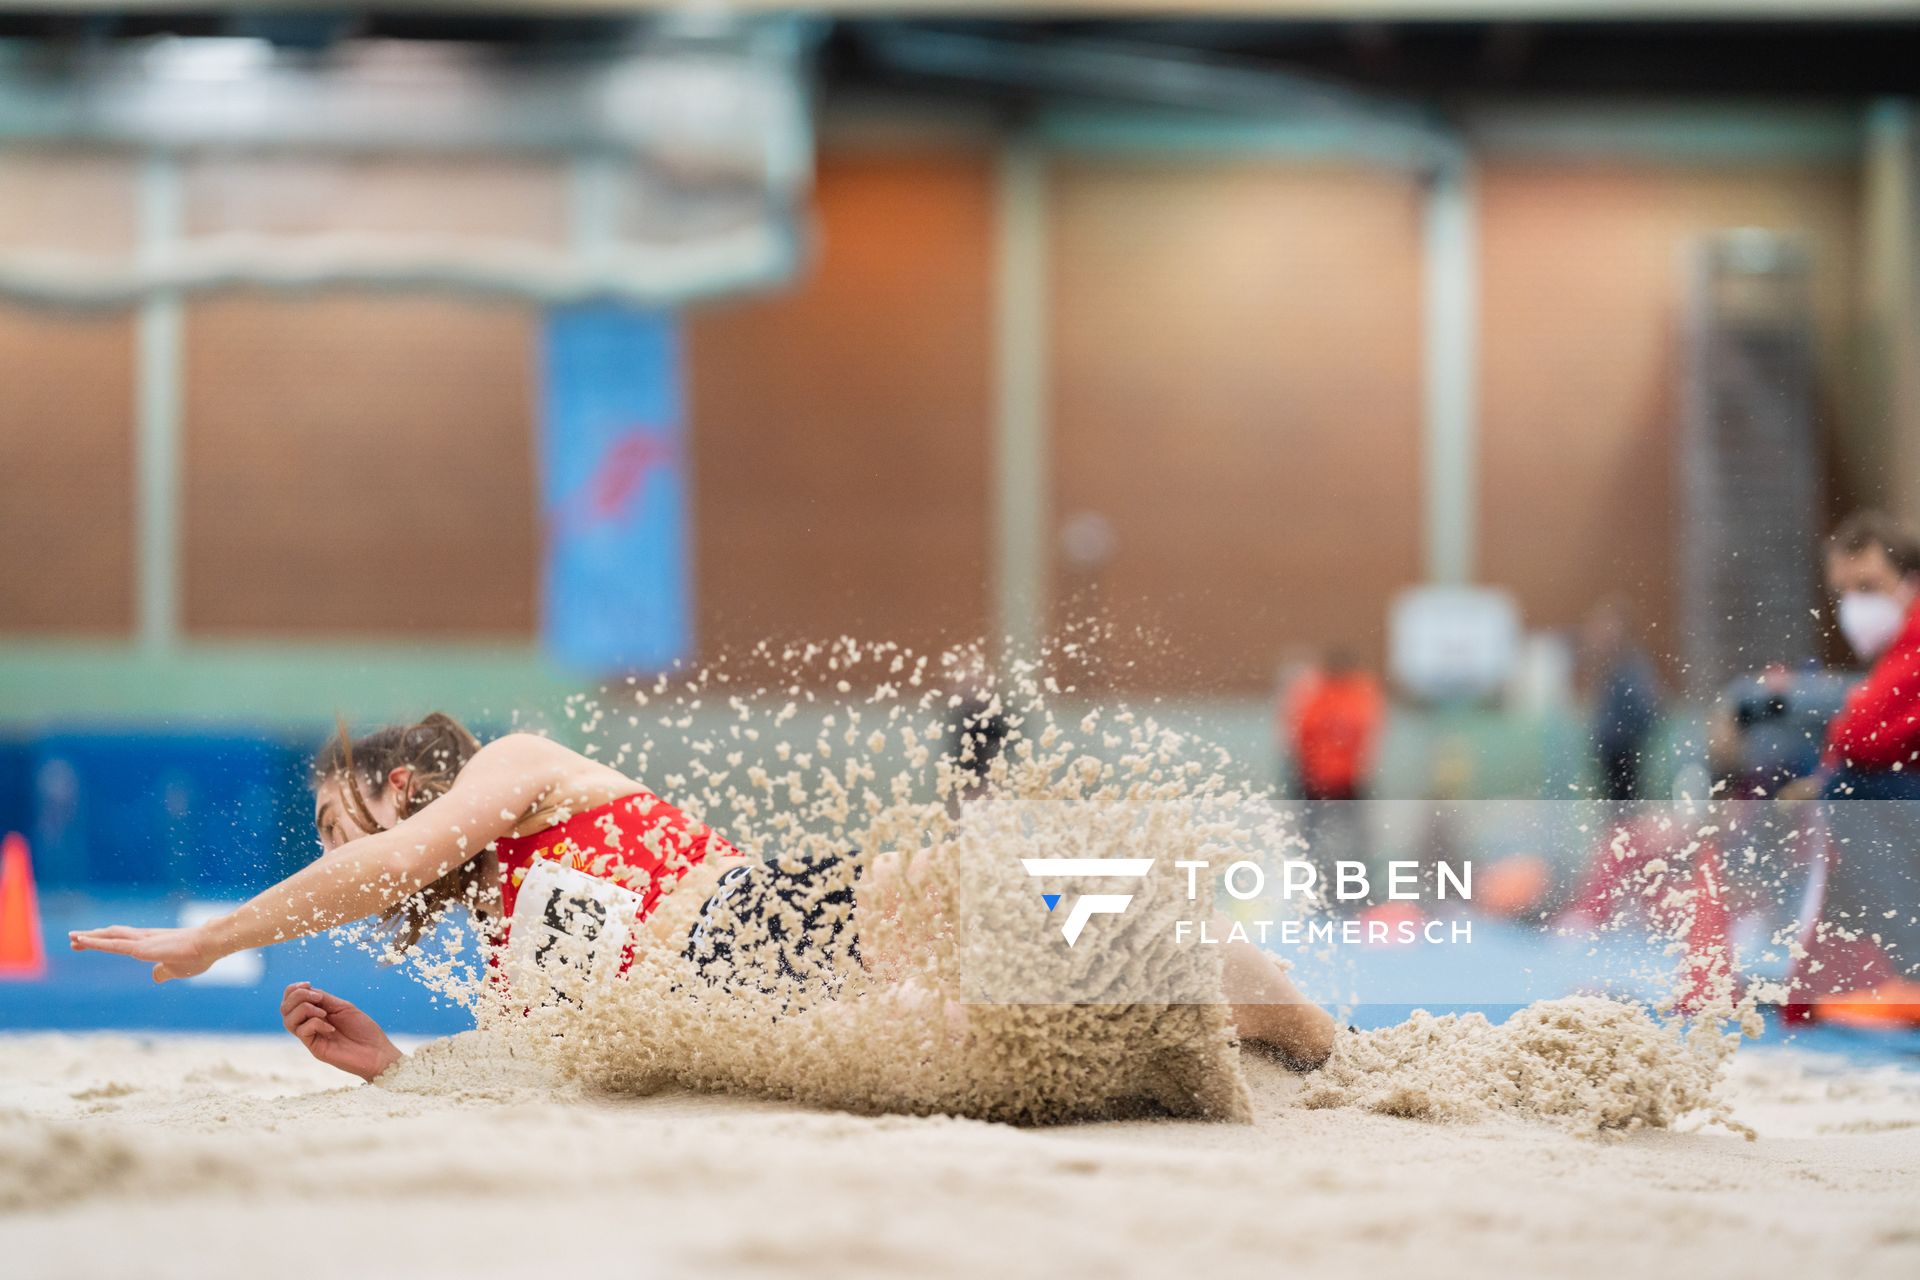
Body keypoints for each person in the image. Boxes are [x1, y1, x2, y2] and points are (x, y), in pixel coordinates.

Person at [70, 712, 1338, 1082]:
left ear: (402, 780)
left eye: (345, 821)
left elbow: (379, 867)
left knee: (1065, 906)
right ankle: (1220, 1061)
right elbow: (558, 1075)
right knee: (1019, 1046)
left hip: (772, 915)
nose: (349, 861)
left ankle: (1318, 1043)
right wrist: (402, 1068)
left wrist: (211, 937)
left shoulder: (521, 766)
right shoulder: (503, 951)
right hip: (766, 1023)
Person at [1579, 600, 1662, 803]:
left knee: (1626, 812)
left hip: (1625, 757)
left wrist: (1626, 737)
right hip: (1613, 758)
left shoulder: (1631, 670)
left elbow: (1651, 711)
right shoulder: (1611, 668)